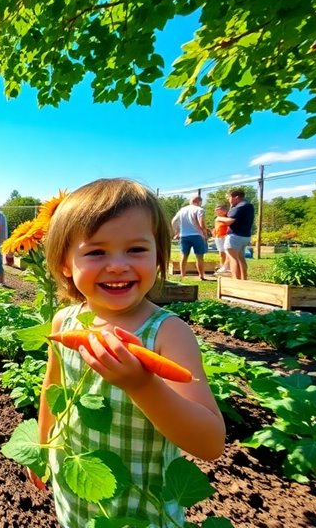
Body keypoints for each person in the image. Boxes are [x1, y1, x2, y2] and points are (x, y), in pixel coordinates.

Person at [34, 178, 225, 525]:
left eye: (136, 250)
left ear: (158, 257)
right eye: (96, 252)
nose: (118, 264)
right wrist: (42, 449)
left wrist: (142, 385)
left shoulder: (168, 333)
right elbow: (53, 390)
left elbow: (211, 444)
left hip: (143, 507)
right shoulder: (65, 321)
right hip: (78, 490)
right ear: (65, 264)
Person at [215, 189, 254, 280]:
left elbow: (230, 221)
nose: (228, 200)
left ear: (236, 197)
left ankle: (235, 280)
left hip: (235, 236)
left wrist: (218, 218)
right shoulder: (249, 205)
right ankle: (243, 279)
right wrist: (232, 206)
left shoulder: (239, 207)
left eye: (229, 197)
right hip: (245, 236)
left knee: (233, 258)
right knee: (241, 258)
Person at [170, 196, 208, 281]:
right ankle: (201, 275)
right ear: (199, 202)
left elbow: (173, 221)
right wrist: (205, 233)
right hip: (197, 235)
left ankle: (183, 274)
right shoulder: (199, 209)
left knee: (184, 255)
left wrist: (177, 232)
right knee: (199, 257)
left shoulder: (182, 210)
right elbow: (201, 223)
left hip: (184, 236)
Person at [211, 204, 231, 275]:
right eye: (216, 209)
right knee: (221, 253)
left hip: (226, 237)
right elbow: (216, 227)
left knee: (227, 252)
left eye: (219, 209)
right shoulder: (217, 219)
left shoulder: (228, 218)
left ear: (225, 211)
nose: (217, 210)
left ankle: (228, 267)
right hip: (218, 237)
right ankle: (222, 266)